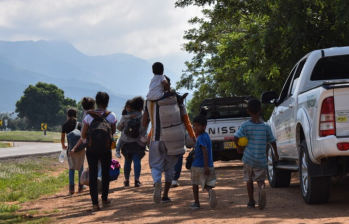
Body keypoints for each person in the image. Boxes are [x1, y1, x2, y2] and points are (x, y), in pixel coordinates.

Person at [234, 98, 278, 210]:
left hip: (248, 158)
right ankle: (261, 189)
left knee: (249, 181)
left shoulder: (245, 125)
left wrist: (238, 147)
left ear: (248, 111)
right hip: (261, 159)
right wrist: (276, 154)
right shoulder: (266, 126)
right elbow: (272, 141)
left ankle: (251, 201)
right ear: (261, 110)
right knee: (260, 180)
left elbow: (236, 137)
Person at [143, 74, 179, 203]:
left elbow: (144, 122)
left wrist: (144, 136)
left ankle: (157, 182)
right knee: (170, 167)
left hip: (155, 138)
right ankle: (165, 195)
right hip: (172, 139)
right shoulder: (172, 98)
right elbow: (182, 118)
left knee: (156, 166)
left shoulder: (148, 101)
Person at [80, 92, 117, 212]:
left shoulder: (89, 116)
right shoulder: (111, 116)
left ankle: (95, 204)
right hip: (106, 149)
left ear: (96, 102)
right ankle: (105, 199)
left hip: (91, 150)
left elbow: (83, 134)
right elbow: (113, 132)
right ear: (107, 103)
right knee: (105, 173)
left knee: (93, 174)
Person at [117, 97, 148, 187]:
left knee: (127, 160)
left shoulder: (127, 116)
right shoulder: (142, 117)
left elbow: (119, 127)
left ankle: (126, 180)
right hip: (137, 142)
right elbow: (144, 130)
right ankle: (136, 180)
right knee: (136, 160)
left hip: (126, 142)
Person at [190, 115, 217, 209]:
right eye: (194, 125)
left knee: (195, 183)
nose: (195, 128)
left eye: (198, 126)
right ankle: (210, 191)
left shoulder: (200, 138)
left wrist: (205, 166)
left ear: (204, 126)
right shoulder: (206, 136)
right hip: (208, 165)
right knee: (206, 184)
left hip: (198, 166)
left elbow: (204, 151)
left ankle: (196, 202)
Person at [61, 108, 83, 195]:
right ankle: (81, 186)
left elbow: (62, 138)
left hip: (70, 149)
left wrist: (63, 146)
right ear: (76, 115)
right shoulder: (79, 124)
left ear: (68, 115)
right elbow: (83, 136)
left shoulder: (65, 125)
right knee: (80, 167)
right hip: (80, 148)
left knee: (71, 167)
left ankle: (71, 188)